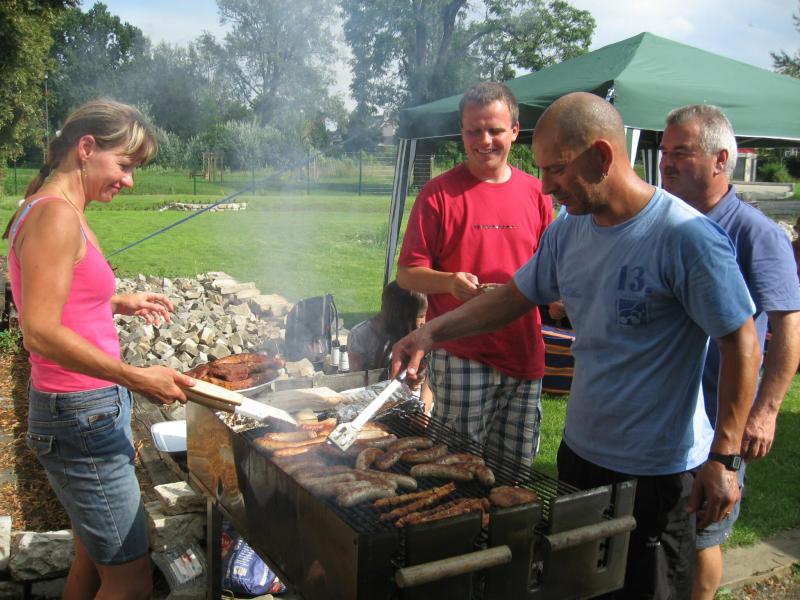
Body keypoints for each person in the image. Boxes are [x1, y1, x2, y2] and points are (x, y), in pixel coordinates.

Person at [391, 92, 762, 599]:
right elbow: (516, 296)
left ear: (602, 156)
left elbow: (741, 343)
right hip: (580, 457)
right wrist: (429, 333)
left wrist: (725, 458)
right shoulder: (569, 231)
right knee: (579, 588)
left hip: (657, 470)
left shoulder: (685, 236)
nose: (545, 186)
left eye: (557, 169)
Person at [4, 99, 195, 600]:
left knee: (92, 558)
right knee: (130, 584)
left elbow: (57, 296)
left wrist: (114, 301)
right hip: (81, 415)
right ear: (87, 148)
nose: (129, 181)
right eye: (125, 165)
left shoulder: (60, 207)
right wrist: (135, 376)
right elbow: (39, 332)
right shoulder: (54, 215)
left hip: (83, 411)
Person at [660, 104, 800, 600]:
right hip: (664, 417)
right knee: (665, 533)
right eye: (664, 151)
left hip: (720, 417)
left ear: (721, 160)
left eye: (681, 152)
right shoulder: (665, 220)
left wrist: (765, 412)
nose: (666, 162)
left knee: (702, 532)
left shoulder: (756, 233)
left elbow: (787, 328)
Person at [396, 81, 552, 465]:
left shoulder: (538, 193)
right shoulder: (438, 194)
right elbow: (407, 274)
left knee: (516, 471)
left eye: (495, 130)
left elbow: (550, 268)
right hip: (460, 353)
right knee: (457, 468)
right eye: (473, 131)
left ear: (514, 131)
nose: (484, 141)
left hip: (523, 353)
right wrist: (449, 281)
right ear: (462, 132)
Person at [347, 280, 427, 373]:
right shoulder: (360, 335)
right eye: (420, 316)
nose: (424, 322)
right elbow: (357, 376)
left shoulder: (419, 335)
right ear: (401, 316)